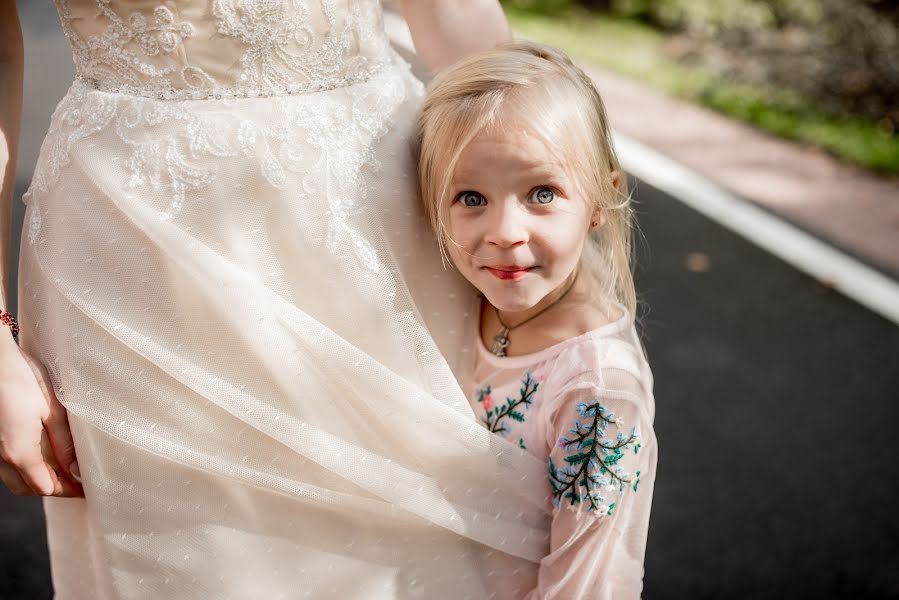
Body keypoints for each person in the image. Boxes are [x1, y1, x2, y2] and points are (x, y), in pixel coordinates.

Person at [0, 2, 556, 597]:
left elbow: (455, 18)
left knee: (440, 548)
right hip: (141, 254)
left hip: (391, 227)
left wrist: (549, 225)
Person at [415, 41, 658, 598]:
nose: (505, 231)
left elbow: (587, 584)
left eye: (542, 192)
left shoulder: (598, 391)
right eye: (470, 196)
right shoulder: (459, 293)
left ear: (601, 199)